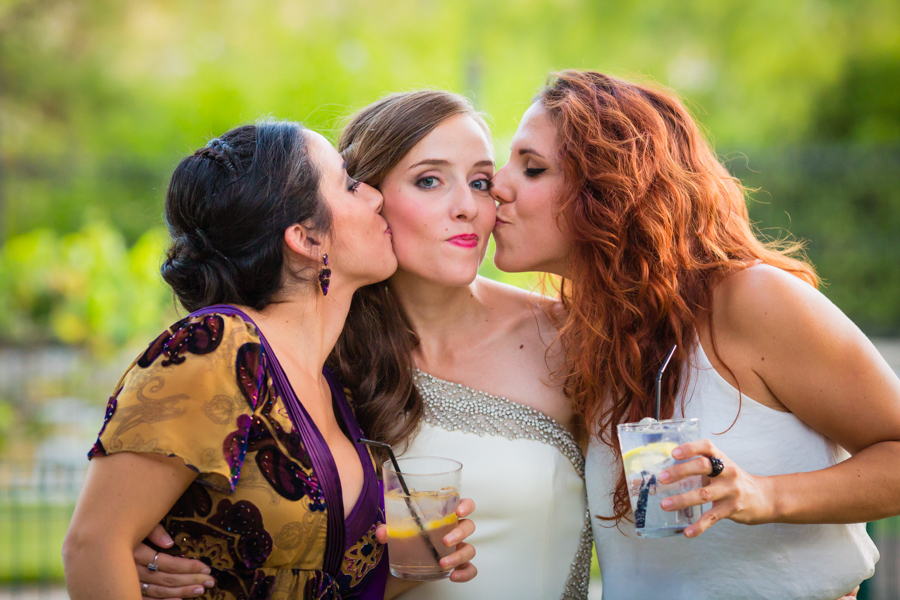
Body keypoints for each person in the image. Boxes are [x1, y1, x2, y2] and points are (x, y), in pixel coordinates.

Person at [135, 91, 591, 600]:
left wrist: (701, 475)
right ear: (362, 199)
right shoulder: (311, 357)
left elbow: (650, 479)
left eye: (481, 182)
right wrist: (154, 554)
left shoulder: (569, 336)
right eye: (429, 180)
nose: (468, 208)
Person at [488, 70, 899, 599]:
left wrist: (761, 496)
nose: (498, 185)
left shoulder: (749, 300)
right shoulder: (590, 335)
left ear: (613, 187)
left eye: (533, 168)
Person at [63, 120, 476, 600]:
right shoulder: (217, 346)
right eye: (347, 184)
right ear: (306, 238)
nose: (375, 197)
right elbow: (93, 544)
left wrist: (424, 560)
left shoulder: (332, 384)